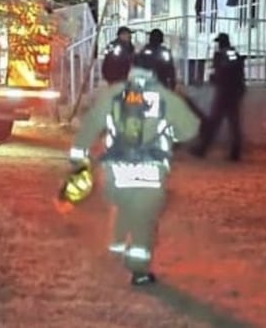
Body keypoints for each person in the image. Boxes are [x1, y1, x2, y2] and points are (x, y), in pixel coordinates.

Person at [65, 54, 200, 285]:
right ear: (155, 73)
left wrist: (78, 159)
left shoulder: (112, 94)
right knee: (143, 219)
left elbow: (88, 128)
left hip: (115, 172)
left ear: (131, 69)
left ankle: (116, 246)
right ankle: (139, 270)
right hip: (150, 172)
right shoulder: (166, 97)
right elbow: (190, 129)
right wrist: (170, 134)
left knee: (123, 203)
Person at [191, 32, 247, 161]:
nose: (217, 45)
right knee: (234, 122)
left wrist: (213, 79)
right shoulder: (234, 53)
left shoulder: (220, 54)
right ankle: (236, 152)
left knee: (214, 121)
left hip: (224, 92)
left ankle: (202, 149)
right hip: (236, 91)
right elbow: (239, 72)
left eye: (218, 43)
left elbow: (220, 72)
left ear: (221, 43)